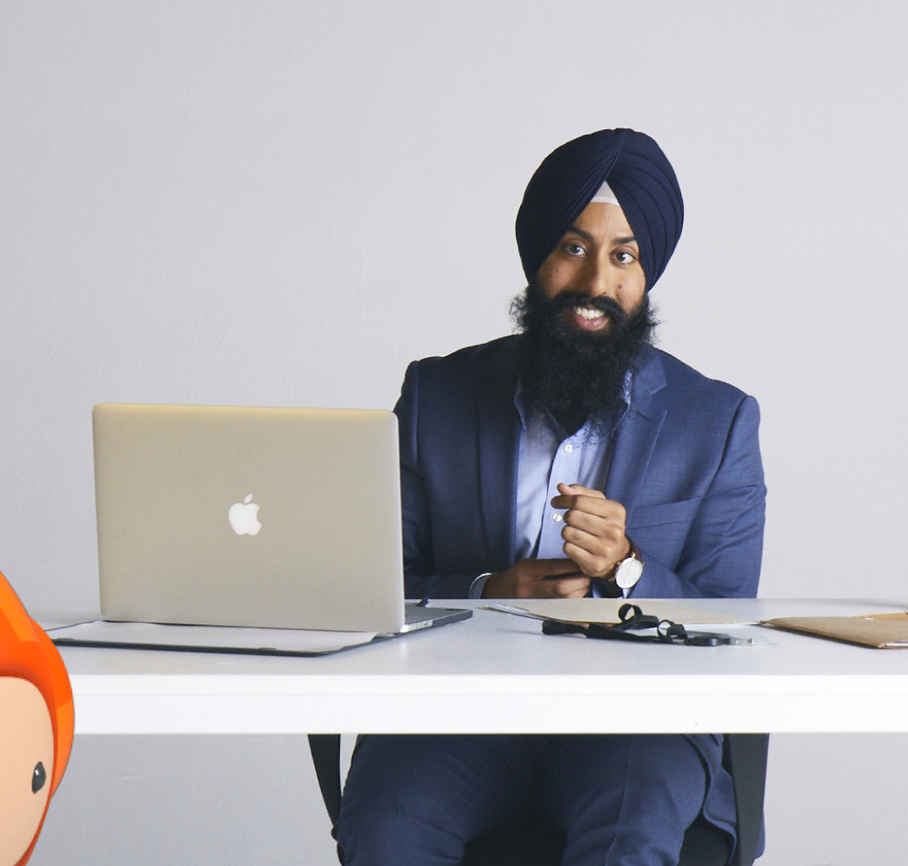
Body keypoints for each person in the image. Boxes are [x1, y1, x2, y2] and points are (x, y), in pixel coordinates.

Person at [335, 128, 766, 866]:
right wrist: (487, 590)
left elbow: (731, 624)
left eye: (624, 256)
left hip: (635, 722)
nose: (597, 281)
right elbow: (375, 587)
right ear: (536, 258)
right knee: (386, 829)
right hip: (459, 714)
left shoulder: (717, 421)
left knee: (628, 838)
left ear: (648, 273)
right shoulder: (437, 394)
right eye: (573, 247)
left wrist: (627, 568)